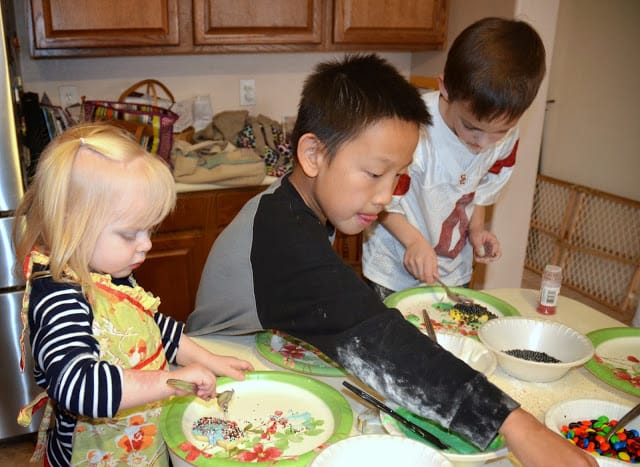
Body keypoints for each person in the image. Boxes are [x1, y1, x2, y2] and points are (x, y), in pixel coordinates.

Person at [185, 54, 595, 466]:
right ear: (313, 155)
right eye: (374, 173)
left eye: (397, 177)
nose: (386, 197)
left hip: (253, 357)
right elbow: (373, 338)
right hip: (213, 382)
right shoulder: (282, 232)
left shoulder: (296, 207)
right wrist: (515, 424)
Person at [13, 123, 254, 467]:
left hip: (141, 445)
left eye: (149, 229)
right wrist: (170, 381)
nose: (147, 244)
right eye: (130, 233)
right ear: (72, 226)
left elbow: (150, 325)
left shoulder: (112, 272)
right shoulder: (59, 296)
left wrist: (207, 358)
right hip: (95, 456)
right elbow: (76, 384)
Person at [363, 17, 547, 297]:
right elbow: (380, 201)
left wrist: (476, 231)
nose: (482, 144)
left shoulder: (507, 137)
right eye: (471, 127)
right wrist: (414, 242)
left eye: (498, 132)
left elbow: (478, 191)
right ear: (446, 89)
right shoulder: (413, 132)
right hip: (392, 270)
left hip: (452, 271)